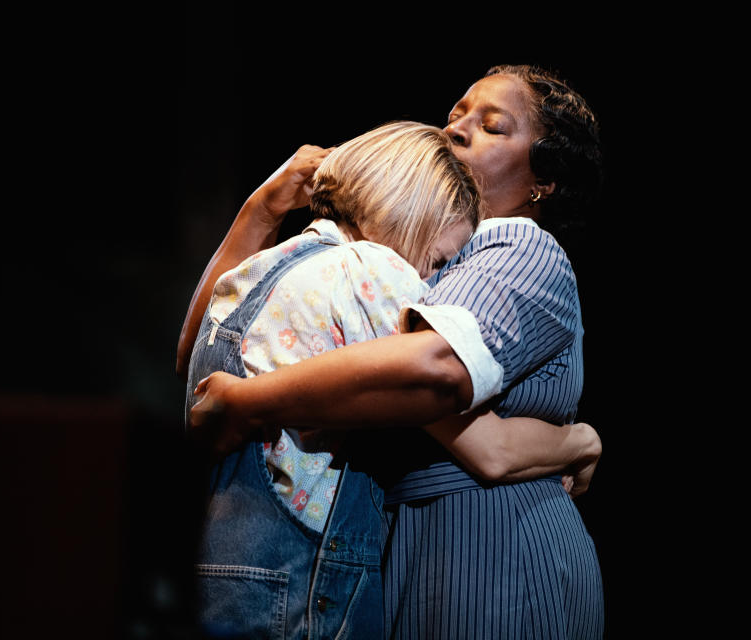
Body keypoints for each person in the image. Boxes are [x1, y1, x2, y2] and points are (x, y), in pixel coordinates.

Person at [182, 64, 604, 639]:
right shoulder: (362, 265)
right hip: (401, 547)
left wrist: (249, 398)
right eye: (455, 115)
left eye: (493, 126)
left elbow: (441, 377)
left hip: (488, 550)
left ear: (544, 179)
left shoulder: (515, 241)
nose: (457, 129)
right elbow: (207, 340)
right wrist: (264, 206)